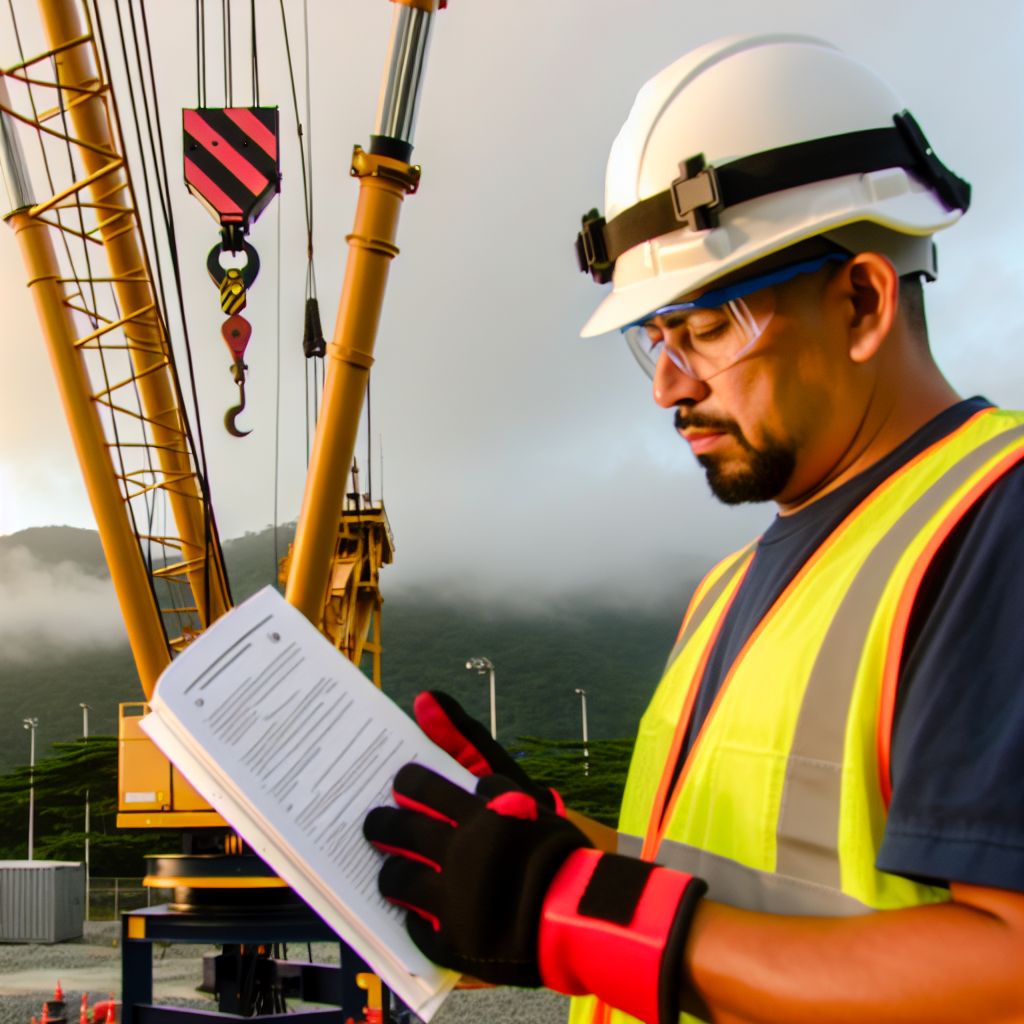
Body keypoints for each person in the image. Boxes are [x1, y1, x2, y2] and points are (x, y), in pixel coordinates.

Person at [364, 35, 1024, 1024]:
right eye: (656, 337)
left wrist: (585, 915)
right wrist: (542, 848)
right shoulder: (731, 587)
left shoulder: (994, 522)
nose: (670, 384)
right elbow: (719, 877)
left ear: (860, 300)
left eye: (709, 325)